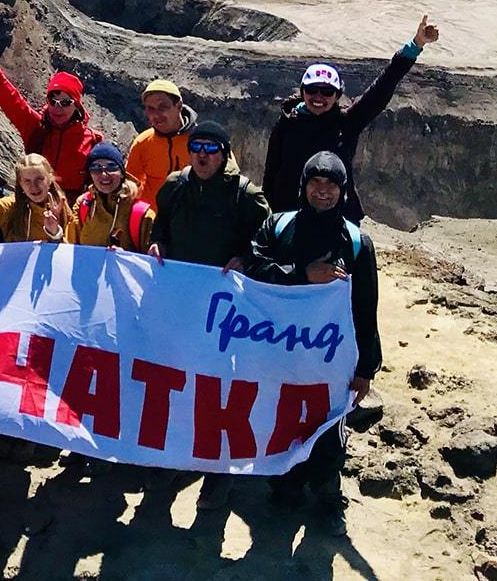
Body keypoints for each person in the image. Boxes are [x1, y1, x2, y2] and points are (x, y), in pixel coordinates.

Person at [247, 151, 381, 534]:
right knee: (281, 421)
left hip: (331, 360)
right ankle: (285, 486)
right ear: (303, 186)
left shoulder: (357, 243)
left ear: (343, 191)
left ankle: (327, 495)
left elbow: (366, 308)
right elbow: (253, 270)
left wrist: (365, 368)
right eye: (315, 184)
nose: (322, 192)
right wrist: (301, 275)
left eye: (331, 185)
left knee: (328, 430)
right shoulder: (278, 227)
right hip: (279, 351)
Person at [147, 120, 270, 511]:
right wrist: (156, 244)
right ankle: (180, 458)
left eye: (211, 148)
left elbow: (265, 240)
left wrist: (245, 258)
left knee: (221, 387)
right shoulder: (175, 187)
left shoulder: (245, 195)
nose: (202, 154)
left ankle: (218, 473)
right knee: (181, 380)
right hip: (182, 304)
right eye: (196, 146)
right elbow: (160, 225)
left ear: (224, 153)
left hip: (227, 311)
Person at [262, 15, 440, 221]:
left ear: (337, 96)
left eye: (327, 92)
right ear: (303, 92)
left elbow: (382, 89)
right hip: (289, 218)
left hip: (338, 219)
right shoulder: (286, 122)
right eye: (312, 90)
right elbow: (271, 174)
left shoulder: (347, 123)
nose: (319, 97)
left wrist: (415, 45)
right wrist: (266, 219)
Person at [0, 39, 102, 199]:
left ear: (77, 105)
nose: (58, 108)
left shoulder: (92, 140)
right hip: (34, 205)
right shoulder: (37, 128)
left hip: (72, 214)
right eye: (53, 102)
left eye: (65, 102)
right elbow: (14, 103)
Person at [126, 78, 200, 211]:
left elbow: (228, 178)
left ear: (178, 105)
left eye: (162, 107)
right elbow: (130, 186)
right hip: (153, 223)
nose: (156, 115)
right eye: (150, 109)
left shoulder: (203, 140)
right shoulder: (142, 143)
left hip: (192, 222)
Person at [67, 142, 155, 252]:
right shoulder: (83, 206)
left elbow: (152, 263)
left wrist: (125, 259)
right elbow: (69, 249)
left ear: (122, 173)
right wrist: (55, 234)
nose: (104, 174)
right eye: (95, 168)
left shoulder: (142, 214)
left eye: (111, 167)